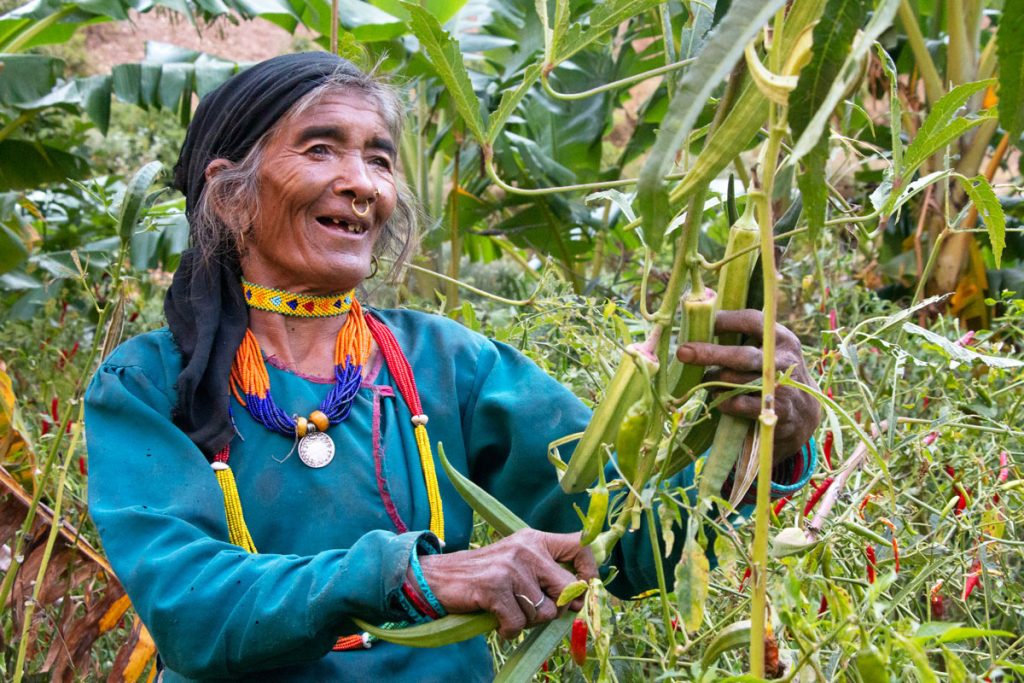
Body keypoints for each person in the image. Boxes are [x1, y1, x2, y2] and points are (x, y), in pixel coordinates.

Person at [84, 52, 821, 682]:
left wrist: (760, 443)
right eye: (320, 150)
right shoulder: (148, 383)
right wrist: (412, 575)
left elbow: (629, 542)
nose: (364, 183)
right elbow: (188, 605)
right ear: (231, 191)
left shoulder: (448, 365)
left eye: (378, 157)